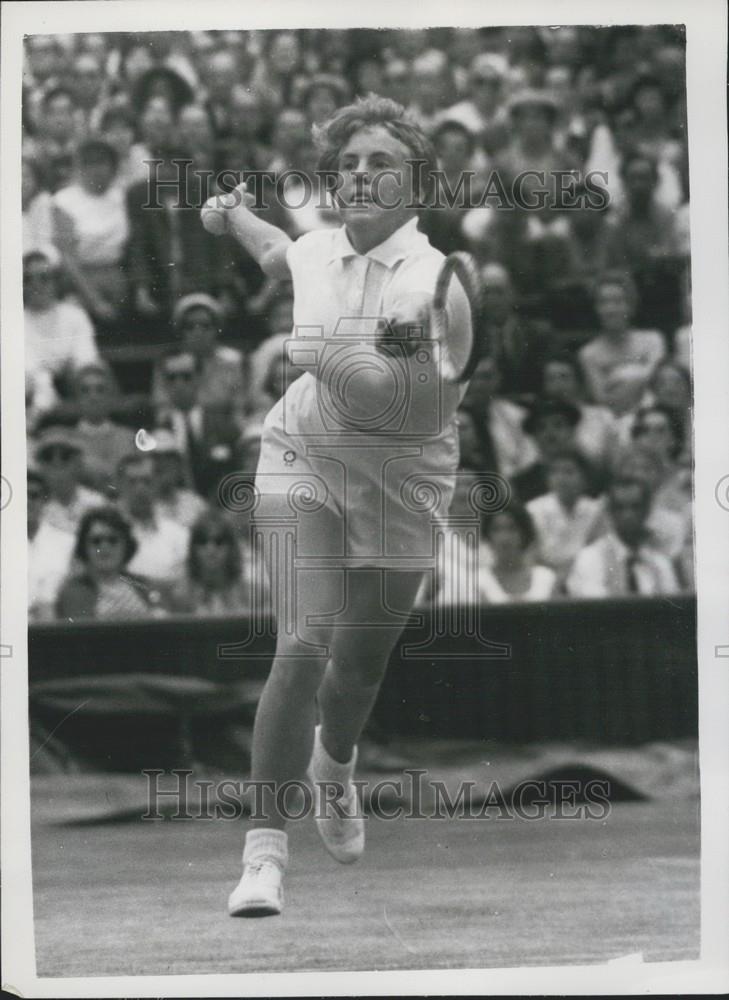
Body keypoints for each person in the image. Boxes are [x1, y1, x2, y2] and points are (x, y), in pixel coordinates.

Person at [203, 94, 472, 916]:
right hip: (302, 456)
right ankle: (263, 855)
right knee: (305, 641)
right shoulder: (318, 250)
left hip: (403, 479)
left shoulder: (434, 284)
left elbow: (395, 402)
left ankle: (337, 765)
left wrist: (321, 348)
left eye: (380, 162)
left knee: (353, 676)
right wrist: (233, 218)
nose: (359, 174)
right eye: (348, 163)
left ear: (415, 183)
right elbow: (282, 254)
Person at [566, 477, 679, 597]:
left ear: (647, 510)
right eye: (620, 508)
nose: (628, 515)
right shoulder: (591, 557)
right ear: (609, 512)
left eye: (635, 507)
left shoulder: (659, 562)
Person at [56, 506, 172, 621]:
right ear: (84, 547)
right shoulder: (73, 592)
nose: (104, 547)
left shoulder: (145, 585)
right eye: (96, 541)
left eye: (113, 540)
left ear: (126, 545)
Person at [578, 271, 666, 416]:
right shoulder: (589, 354)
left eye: (618, 301)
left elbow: (660, 384)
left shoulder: (653, 340)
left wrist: (618, 379)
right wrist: (643, 376)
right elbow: (603, 403)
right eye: (603, 302)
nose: (610, 309)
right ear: (596, 309)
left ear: (631, 306)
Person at [24, 249, 99, 411]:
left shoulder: (74, 315)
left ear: (55, 281)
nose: (36, 285)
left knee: (92, 376)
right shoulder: (15, 321)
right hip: (32, 395)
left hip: (72, 388)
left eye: (44, 278)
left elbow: (85, 359)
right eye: (28, 279)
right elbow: (31, 371)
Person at [525, 448, 605, 586]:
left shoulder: (595, 511)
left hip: (585, 578)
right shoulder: (533, 510)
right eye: (555, 472)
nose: (561, 478)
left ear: (584, 477)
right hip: (545, 578)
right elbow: (531, 556)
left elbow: (596, 553)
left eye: (569, 472)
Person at [115, 452, 190, 586]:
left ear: (156, 484)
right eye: (132, 482)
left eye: (146, 481)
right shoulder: (107, 534)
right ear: (119, 485)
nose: (140, 489)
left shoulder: (177, 534)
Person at [172, 509, 261, 617]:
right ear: (193, 549)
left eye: (219, 541)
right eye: (202, 541)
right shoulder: (179, 597)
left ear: (232, 548)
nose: (211, 549)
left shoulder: (253, 595)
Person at [72, 363, 136, 496]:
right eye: (85, 390)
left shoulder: (129, 438)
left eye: (100, 390)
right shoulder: (68, 442)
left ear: (111, 396)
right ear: (77, 399)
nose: (93, 397)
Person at [477, 503, 557, 603]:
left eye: (512, 528)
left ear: (524, 534)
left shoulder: (546, 578)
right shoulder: (478, 582)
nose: (504, 538)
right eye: (496, 530)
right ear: (488, 536)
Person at [34, 426, 105, 535]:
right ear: (40, 466)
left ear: (79, 462)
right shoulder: (33, 505)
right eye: (48, 456)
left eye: (65, 456)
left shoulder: (97, 504)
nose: (56, 463)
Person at [27, 465, 76, 621]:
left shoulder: (67, 542)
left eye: (33, 495)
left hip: (55, 626)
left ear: (45, 500)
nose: (26, 501)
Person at [149, 429, 208, 529]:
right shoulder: (141, 504)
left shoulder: (195, 504)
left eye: (169, 458)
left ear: (178, 464)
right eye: (156, 458)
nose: (162, 464)